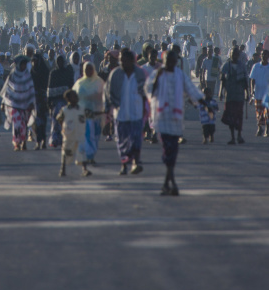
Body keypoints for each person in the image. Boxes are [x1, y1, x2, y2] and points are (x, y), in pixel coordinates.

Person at [144, 49, 207, 196]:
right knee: (168, 150)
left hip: (176, 119)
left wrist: (204, 102)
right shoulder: (158, 74)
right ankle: (171, 183)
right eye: (169, 61)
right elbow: (148, 91)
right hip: (161, 119)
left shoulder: (180, 75)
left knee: (172, 152)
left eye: (174, 61)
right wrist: (156, 79)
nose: (171, 63)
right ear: (164, 61)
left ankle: (168, 183)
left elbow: (191, 89)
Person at [105, 49, 146, 175]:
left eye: (124, 59)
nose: (122, 62)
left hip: (136, 113)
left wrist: (146, 109)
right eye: (120, 59)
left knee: (136, 140)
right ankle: (124, 165)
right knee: (122, 142)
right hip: (121, 114)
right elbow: (108, 93)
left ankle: (136, 163)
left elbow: (145, 93)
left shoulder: (140, 74)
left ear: (131, 61)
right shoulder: (115, 74)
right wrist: (107, 111)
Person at [0, 54, 36, 151]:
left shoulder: (27, 75)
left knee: (24, 124)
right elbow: (7, 89)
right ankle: (16, 143)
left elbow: (31, 89)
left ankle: (23, 142)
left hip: (26, 104)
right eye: (22, 64)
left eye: (25, 64)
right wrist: (3, 103)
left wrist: (32, 102)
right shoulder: (12, 75)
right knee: (17, 124)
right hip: (14, 104)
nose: (24, 66)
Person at [73, 62, 104, 164]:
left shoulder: (99, 82)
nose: (89, 71)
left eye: (90, 69)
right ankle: (85, 157)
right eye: (87, 69)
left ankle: (91, 155)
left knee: (95, 136)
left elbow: (104, 97)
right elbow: (74, 97)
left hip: (97, 114)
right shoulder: (79, 83)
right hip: (84, 114)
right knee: (86, 135)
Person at [56, 90, 91, 178]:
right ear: (68, 99)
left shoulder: (81, 109)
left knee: (82, 152)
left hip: (80, 134)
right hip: (69, 135)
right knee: (66, 152)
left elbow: (90, 115)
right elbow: (59, 118)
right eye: (74, 96)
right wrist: (64, 128)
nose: (76, 97)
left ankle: (84, 169)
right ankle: (62, 169)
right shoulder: (65, 110)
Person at [220, 46, 249, 145]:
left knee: (239, 116)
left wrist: (247, 94)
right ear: (230, 55)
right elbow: (222, 80)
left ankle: (239, 135)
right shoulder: (226, 66)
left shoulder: (242, 66)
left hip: (239, 95)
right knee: (230, 117)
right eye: (233, 54)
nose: (234, 56)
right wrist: (220, 92)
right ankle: (232, 137)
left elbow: (245, 81)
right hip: (229, 95)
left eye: (236, 54)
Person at [47, 55, 73, 148]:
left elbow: (71, 86)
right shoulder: (53, 73)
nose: (60, 63)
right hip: (55, 102)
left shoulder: (68, 72)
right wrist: (49, 101)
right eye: (58, 62)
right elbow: (50, 88)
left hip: (65, 101)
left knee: (65, 121)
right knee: (55, 121)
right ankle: (55, 139)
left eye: (61, 61)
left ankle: (64, 139)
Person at [32, 53, 50, 150]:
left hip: (42, 98)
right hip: (34, 99)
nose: (34, 62)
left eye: (35, 60)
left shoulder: (44, 71)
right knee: (35, 122)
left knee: (43, 121)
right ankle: (38, 141)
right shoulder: (32, 71)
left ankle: (43, 141)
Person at [249, 48, 269, 137]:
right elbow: (252, 80)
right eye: (263, 54)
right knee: (259, 113)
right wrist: (251, 92)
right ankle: (260, 128)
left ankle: (267, 129)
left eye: (266, 54)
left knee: (267, 112)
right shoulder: (256, 66)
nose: (264, 56)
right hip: (257, 94)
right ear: (260, 56)